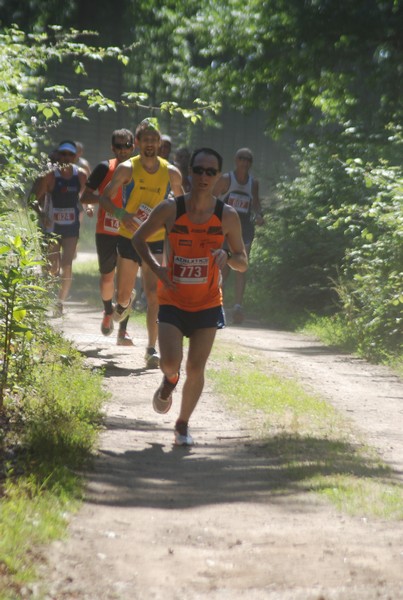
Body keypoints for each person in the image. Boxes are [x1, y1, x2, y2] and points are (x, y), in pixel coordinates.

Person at [132, 147, 248, 446]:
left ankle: (182, 424)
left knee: (196, 368)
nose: (204, 176)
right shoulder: (171, 209)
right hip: (172, 300)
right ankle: (169, 381)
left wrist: (227, 256)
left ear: (219, 177)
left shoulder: (228, 216)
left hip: (208, 303)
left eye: (211, 172)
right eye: (199, 170)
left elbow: (243, 261)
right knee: (171, 362)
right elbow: (138, 238)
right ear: (190, 172)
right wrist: (158, 270)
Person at [99, 118, 183, 368]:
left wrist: (173, 223)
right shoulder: (127, 168)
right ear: (138, 143)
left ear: (160, 143)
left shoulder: (171, 172)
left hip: (155, 241)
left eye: (153, 140)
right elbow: (104, 199)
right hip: (129, 239)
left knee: (155, 296)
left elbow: (183, 207)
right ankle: (123, 303)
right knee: (123, 298)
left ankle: (151, 349)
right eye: (145, 139)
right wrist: (123, 215)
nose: (149, 144)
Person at [80, 129, 135, 345]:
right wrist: (102, 200)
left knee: (126, 284)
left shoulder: (140, 170)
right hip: (107, 231)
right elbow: (85, 196)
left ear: (133, 147)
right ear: (113, 148)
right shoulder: (105, 168)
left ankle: (123, 330)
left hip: (131, 231)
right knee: (107, 278)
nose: (123, 150)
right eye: (118, 146)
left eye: (127, 145)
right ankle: (106, 311)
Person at [29, 140, 88, 316]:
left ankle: (59, 302)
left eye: (70, 155)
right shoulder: (50, 176)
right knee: (52, 267)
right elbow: (32, 200)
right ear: (59, 155)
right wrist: (42, 215)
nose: (66, 158)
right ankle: (47, 297)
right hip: (52, 227)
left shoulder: (81, 175)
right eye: (63, 154)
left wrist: (89, 208)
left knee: (67, 265)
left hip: (71, 226)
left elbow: (85, 197)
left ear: (76, 157)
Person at [213, 147, 264, 324]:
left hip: (244, 229)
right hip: (225, 228)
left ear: (251, 163)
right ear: (236, 160)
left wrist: (259, 215)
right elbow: (212, 198)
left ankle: (237, 306)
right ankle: (218, 302)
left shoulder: (253, 183)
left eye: (248, 159)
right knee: (224, 266)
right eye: (241, 158)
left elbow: (255, 203)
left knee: (242, 264)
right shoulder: (226, 179)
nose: (244, 162)